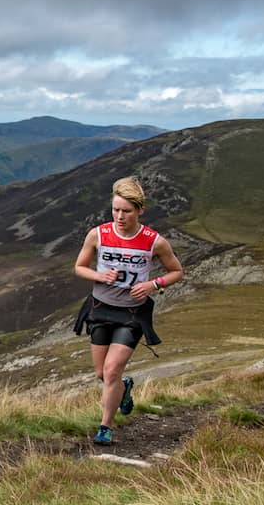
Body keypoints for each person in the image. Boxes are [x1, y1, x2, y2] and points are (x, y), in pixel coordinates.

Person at [72, 176, 184, 445]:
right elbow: (79, 267)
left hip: (132, 313)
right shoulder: (98, 235)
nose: (120, 216)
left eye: (127, 211)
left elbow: (176, 272)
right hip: (100, 308)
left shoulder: (154, 241)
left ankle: (105, 427)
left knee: (111, 372)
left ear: (140, 210)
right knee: (102, 374)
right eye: (116, 210)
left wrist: (151, 284)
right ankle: (124, 389)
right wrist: (100, 276)